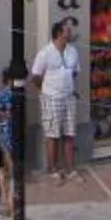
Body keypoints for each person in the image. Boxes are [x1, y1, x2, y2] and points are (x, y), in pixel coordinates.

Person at [29, 19, 84, 182]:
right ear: (59, 33)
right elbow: (36, 76)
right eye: (67, 30)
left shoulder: (72, 51)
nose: (70, 33)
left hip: (68, 97)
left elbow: (74, 72)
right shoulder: (45, 53)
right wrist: (46, 90)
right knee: (52, 134)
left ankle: (70, 169)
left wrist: (67, 86)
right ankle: (53, 170)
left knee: (69, 133)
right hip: (51, 97)